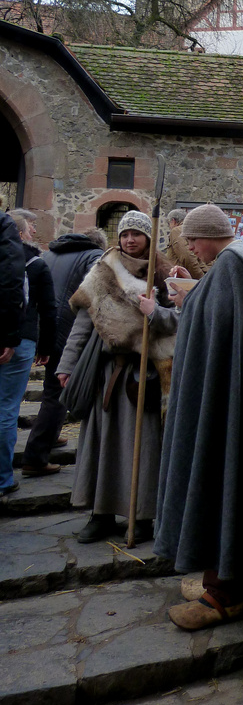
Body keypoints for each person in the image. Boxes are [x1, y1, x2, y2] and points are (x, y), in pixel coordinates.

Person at [153, 203, 243, 631]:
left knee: (217, 477)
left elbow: (218, 327)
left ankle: (225, 592)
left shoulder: (231, 265)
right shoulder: (239, 264)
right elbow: (221, 318)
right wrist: (194, 294)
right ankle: (214, 574)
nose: (189, 247)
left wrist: (189, 302)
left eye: (194, 239)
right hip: (227, 395)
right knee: (216, 479)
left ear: (212, 233)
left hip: (224, 401)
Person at [56, 211, 176, 544]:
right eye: (124, 235)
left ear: (148, 239)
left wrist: (157, 312)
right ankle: (101, 514)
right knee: (103, 446)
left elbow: (179, 322)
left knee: (146, 447)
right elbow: (82, 327)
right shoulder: (101, 274)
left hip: (146, 377)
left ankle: (144, 517)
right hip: (109, 374)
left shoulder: (164, 274)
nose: (129, 240)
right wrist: (66, 366)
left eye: (137, 234)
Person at [22, 228, 106, 477]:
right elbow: (96, 290)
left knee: (52, 388)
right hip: (70, 330)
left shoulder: (49, 254)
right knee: (58, 394)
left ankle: (52, 434)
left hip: (44, 328)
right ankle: (35, 456)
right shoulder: (95, 256)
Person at [4, 212, 58, 483]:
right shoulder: (36, 264)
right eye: (31, 227)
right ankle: (2, 477)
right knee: (7, 409)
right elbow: (48, 310)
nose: (35, 230)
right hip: (20, 339)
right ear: (20, 233)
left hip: (18, 339)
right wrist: (46, 347)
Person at [0, 210, 40, 497]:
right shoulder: (8, 239)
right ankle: (2, 478)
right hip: (10, 340)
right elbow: (14, 288)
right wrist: (10, 337)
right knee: (5, 410)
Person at [166, 209, 207, 279]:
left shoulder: (176, 231)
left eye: (169, 223)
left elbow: (187, 257)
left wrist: (200, 279)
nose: (169, 226)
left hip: (185, 279)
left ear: (173, 221)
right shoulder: (195, 230)